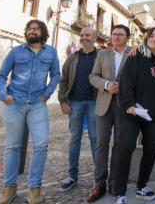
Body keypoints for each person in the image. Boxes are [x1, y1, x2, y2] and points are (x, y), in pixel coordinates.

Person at [0, 19, 60, 204]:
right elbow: (0, 76)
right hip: (15, 102)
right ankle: (9, 189)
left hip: (38, 104)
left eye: (36, 29)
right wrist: (2, 94)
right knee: (13, 146)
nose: (32, 31)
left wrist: (47, 93)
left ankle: (34, 190)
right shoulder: (16, 51)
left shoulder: (51, 52)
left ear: (42, 32)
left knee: (41, 144)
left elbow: (56, 74)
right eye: (30, 29)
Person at [112, 27, 155, 204]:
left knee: (152, 147)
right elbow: (125, 81)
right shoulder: (135, 56)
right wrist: (128, 105)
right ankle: (120, 192)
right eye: (152, 35)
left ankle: (142, 186)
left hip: (153, 115)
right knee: (125, 147)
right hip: (132, 111)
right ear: (146, 38)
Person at [87, 24, 131, 202]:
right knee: (101, 144)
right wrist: (106, 85)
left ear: (127, 37)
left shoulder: (133, 54)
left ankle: (114, 181)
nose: (116, 37)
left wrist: (124, 88)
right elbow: (93, 76)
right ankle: (99, 184)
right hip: (103, 103)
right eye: (114, 34)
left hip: (123, 105)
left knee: (119, 144)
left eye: (120, 34)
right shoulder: (102, 54)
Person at [57, 26, 99, 192]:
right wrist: (62, 101)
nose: (84, 37)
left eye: (88, 35)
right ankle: (72, 175)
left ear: (94, 37)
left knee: (96, 140)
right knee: (75, 139)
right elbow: (64, 80)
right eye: (82, 35)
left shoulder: (101, 56)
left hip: (94, 103)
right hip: (74, 104)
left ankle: (99, 177)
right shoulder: (73, 57)